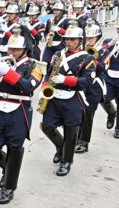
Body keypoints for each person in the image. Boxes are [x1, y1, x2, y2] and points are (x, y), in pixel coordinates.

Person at [0, 28, 39, 204]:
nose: (11, 52)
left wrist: (8, 72)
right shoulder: (1, 61)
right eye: (10, 49)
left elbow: (28, 87)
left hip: (19, 110)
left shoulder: (35, 66)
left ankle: (9, 187)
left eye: (16, 50)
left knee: (15, 148)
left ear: (25, 50)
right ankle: (9, 169)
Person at [40, 22, 96, 176]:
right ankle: (60, 147)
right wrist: (44, 86)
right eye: (67, 39)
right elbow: (48, 72)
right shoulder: (58, 54)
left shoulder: (87, 58)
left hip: (73, 97)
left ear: (80, 40)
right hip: (54, 95)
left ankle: (66, 161)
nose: (68, 42)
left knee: (71, 131)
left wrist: (65, 80)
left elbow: (87, 81)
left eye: (72, 39)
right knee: (47, 126)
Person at [75, 20, 103, 154]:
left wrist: (94, 61)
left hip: (94, 86)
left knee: (88, 115)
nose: (89, 40)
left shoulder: (103, 49)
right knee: (79, 113)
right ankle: (76, 138)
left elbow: (102, 69)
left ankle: (84, 142)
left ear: (98, 37)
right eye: (88, 37)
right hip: (81, 85)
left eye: (92, 37)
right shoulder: (82, 50)